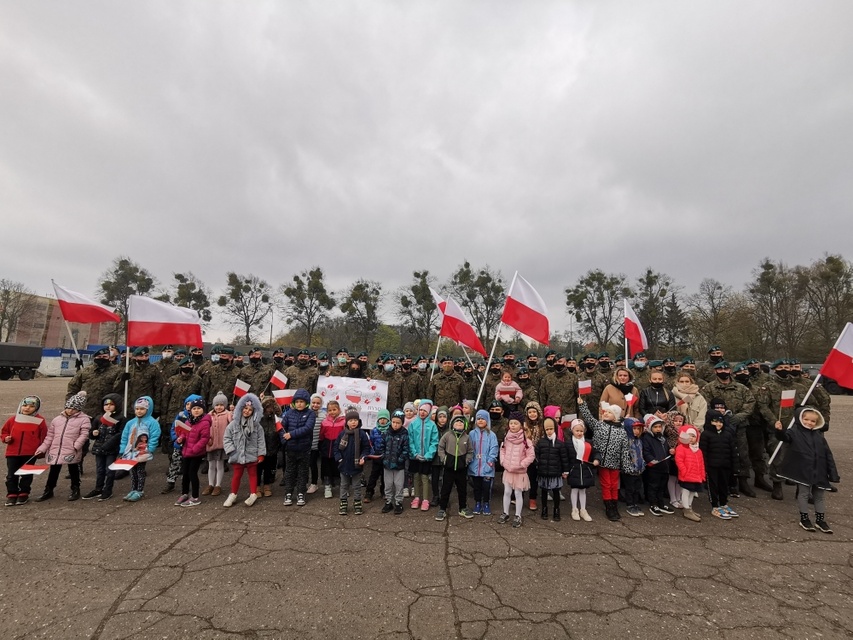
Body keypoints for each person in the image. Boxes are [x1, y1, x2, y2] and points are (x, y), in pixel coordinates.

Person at [773, 407, 839, 533]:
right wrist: (779, 430)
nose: (809, 422)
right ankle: (804, 518)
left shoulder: (819, 436)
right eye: (806, 419)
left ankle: (820, 520)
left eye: (813, 421)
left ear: (817, 422)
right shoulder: (794, 432)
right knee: (803, 494)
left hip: (819, 471)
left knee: (819, 496)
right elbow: (784, 438)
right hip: (803, 471)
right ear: (800, 419)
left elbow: (828, 455)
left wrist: (832, 473)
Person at [578, 397, 630, 521]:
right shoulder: (599, 426)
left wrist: (626, 465)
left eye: (609, 412)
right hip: (603, 462)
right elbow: (589, 418)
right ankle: (608, 506)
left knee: (614, 484)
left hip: (615, 463)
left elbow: (625, 450)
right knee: (606, 484)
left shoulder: (622, 432)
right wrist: (582, 405)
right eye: (605, 411)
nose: (606, 413)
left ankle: (614, 504)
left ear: (615, 416)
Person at [34, 393, 91, 502]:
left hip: (71, 449)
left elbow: (84, 434)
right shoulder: (57, 419)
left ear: (79, 409)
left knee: (73, 469)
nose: (70, 410)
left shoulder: (84, 419)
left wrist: (76, 446)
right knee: (54, 470)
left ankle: (75, 489)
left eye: (74, 409)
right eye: (68, 407)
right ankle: (48, 490)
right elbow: (50, 436)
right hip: (56, 449)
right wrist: (42, 448)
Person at [3, 395, 48, 506]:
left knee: (26, 474)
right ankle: (12, 494)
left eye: (31, 406)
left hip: (30, 453)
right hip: (13, 452)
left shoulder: (40, 421)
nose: (27, 408)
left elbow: (44, 436)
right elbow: (4, 432)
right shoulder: (13, 419)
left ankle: (24, 493)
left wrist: (41, 451)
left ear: (36, 408)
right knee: (11, 474)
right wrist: (5, 438)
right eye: (25, 405)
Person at [222, 393, 266, 507]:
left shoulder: (257, 426)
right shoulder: (233, 424)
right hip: (237, 454)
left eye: (250, 410)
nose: (247, 411)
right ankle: (233, 494)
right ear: (241, 408)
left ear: (254, 412)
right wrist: (231, 450)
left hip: (252, 454)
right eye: (245, 408)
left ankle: (253, 494)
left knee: (252, 474)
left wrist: (261, 454)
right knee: (237, 475)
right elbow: (227, 437)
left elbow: (261, 440)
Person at [115, 396, 161, 502]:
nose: (139, 411)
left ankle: (139, 491)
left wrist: (150, 449)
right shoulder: (130, 422)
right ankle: (133, 489)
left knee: (140, 471)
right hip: (129, 452)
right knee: (132, 471)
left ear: (148, 409)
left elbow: (154, 436)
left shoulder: (152, 422)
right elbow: (125, 436)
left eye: (142, 409)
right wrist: (122, 449)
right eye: (137, 409)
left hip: (142, 452)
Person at [82, 394, 126, 501]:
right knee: (100, 470)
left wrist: (108, 444)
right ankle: (98, 488)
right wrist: (94, 433)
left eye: (111, 404)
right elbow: (91, 432)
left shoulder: (121, 419)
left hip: (111, 449)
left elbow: (120, 434)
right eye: (106, 404)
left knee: (109, 470)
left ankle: (108, 490)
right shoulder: (99, 418)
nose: (108, 406)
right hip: (99, 448)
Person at [279, 389, 316, 507]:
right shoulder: (289, 413)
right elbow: (282, 428)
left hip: (304, 449)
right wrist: (284, 440)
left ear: (306, 403)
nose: (299, 404)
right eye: (297, 401)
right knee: (290, 472)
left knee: (303, 472)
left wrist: (291, 435)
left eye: (302, 401)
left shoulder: (310, 414)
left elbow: (308, 428)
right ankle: (288, 493)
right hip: (290, 449)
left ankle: (301, 492)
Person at [699, 410, 739, 520]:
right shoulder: (706, 434)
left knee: (724, 486)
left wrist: (735, 467)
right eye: (715, 421)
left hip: (725, 465)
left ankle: (723, 503)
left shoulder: (728, 434)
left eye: (720, 421)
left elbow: (733, 452)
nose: (718, 424)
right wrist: (705, 467)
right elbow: (703, 452)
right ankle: (715, 506)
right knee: (713, 486)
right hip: (712, 466)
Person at [498, 412, 535, 528]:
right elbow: (502, 450)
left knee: (518, 493)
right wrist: (503, 461)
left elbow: (531, 456)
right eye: (511, 423)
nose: (513, 425)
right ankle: (505, 512)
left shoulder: (526, 441)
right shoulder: (506, 438)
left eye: (515, 423)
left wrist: (522, 464)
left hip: (519, 472)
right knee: (507, 492)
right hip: (508, 471)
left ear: (521, 425)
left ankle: (518, 515)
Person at [435, 415, 475, 521]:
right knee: (445, 489)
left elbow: (470, 451)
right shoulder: (447, 435)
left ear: (465, 425)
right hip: (449, 468)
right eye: (456, 423)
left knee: (462, 489)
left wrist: (466, 460)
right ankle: (442, 509)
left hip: (462, 469)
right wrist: (444, 458)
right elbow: (440, 447)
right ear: (452, 424)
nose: (459, 425)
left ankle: (462, 508)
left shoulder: (466, 437)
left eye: (461, 423)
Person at [174, 397, 212, 507]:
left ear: (203, 410)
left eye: (199, 408)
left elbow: (204, 438)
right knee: (185, 473)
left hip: (196, 453)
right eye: (194, 408)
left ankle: (195, 497)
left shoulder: (204, 423)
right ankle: (184, 493)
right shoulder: (188, 421)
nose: (196, 410)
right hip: (186, 451)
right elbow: (184, 433)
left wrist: (195, 448)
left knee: (192, 474)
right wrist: (181, 438)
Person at [334, 410, 371, 515]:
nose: (353, 422)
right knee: (344, 485)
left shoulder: (362, 434)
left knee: (357, 486)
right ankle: (343, 502)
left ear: (358, 421)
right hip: (344, 465)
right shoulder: (342, 434)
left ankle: (357, 502)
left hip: (356, 466)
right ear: (346, 422)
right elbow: (336, 448)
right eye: (351, 420)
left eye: (355, 420)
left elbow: (366, 448)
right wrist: (339, 458)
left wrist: (363, 457)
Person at [534, 417, 569, 521]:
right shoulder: (540, 443)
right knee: (544, 492)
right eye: (547, 429)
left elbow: (564, 459)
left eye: (551, 429)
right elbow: (536, 456)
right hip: (543, 471)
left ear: (555, 429)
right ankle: (544, 509)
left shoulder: (560, 444)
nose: (549, 431)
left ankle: (556, 510)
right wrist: (538, 465)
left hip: (556, 472)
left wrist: (565, 471)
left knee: (556, 492)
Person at [566, 418, 599, 522]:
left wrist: (597, 459)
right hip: (574, 469)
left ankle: (583, 509)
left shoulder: (589, 442)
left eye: (581, 431)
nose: (579, 433)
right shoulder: (568, 443)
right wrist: (566, 470)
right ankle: (574, 509)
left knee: (583, 490)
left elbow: (596, 452)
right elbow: (565, 458)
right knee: (574, 489)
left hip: (585, 469)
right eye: (577, 431)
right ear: (572, 430)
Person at [641, 415, 675, 516]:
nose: (658, 429)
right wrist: (651, 460)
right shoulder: (647, 438)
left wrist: (670, 452)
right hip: (654, 467)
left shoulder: (663, 438)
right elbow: (646, 451)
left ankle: (661, 503)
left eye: (660, 427)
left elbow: (666, 450)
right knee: (653, 486)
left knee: (662, 486)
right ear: (650, 427)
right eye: (655, 427)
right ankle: (653, 503)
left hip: (664, 466)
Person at [408, 399, 438, 511]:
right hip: (415, 456)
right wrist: (414, 453)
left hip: (426, 457)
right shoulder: (413, 424)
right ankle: (416, 497)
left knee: (425, 477)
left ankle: (425, 499)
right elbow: (410, 439)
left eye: (425, 411)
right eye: (420, 410)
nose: (422, 412)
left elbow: (434, 441)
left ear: (429, 412)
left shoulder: (432, 425)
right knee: (416, 477)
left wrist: (428, 455)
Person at [468, 410, 499, 516]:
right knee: (477, 487)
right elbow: (469, 447)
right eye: (478, 419)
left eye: (483, 419)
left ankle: (486, 503)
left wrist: (490, 461)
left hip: (487, 466)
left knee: (486, 487)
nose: (480, 421)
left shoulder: (491, 435)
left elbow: (494, 448)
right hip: (475, 465)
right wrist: (470, 460)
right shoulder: (472, 434)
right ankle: (477, 503)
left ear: (487, 420)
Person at [675, 425, 706, 522]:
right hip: (686, 476)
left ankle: (689, 507)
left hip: (696, 476)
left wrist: (702, 475)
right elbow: (679, 461)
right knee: (685, 492)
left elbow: (701, 464)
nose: (691, 438)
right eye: (689, 435)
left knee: (692, 492)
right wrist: (684, 471)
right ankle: (686, 509)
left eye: (693, 436)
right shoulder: (681, 448)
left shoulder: (698, 450)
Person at [382, 410, 410, 515]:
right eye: (393, 422)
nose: (395, 425)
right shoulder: (386, 433)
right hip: (387, 464)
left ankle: (398, 502)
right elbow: (382, 446)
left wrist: (401, 459)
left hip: (399, 465)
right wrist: (383, 457)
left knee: (399, 485)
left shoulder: (404, 434)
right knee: (388, 484)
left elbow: (406, 449)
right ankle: (388, 501)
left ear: (402, 423)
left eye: (398, 423)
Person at [204, 392, 231, 496]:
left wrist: (232, 412)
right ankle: (210, 484)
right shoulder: (208, 415)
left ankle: (218, 485)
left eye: (221, 405)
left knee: (219, 465)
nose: (219, 407)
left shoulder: (228, 414)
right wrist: (207, 439)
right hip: (210, 444)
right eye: (217, 405)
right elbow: (205, 428)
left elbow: (232, 422)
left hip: (221, 444)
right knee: (211, 465)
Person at [621, 417, 647, 517]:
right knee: (630, 488)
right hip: (629, 471)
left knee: (637, 488)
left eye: (638, 429)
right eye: (634, 428)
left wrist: (643, 464)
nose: (636, 431)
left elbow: (641, 454)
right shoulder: (626, 441)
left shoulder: (639, 441)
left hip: (639, 470)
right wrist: (628, 468)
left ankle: (635, 504)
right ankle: (630, 504)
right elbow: (624, 456)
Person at [257, 397, 282, 498]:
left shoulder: (276, 418)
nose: (269, 409)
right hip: (260, 447)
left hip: (272, 446)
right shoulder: (259, 418)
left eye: (271, 406)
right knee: (258, 468)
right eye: (267, 406)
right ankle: (257, 486)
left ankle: (267, 485)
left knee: (268, 467)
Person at [319, 400, 345, 498]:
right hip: (326, 447)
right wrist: (321, 445)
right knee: (326, 467)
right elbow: (321, 434)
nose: (332, 412)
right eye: (330, 410)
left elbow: (345, 435)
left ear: (339, 410)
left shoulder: (343, 421)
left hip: (338, 447)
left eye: (334, 409)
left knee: (339, 467)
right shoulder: (325, 422)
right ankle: (327, 486)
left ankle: (343, 487)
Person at [365, 409, 390, 503]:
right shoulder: (374, 430)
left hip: (386, 456)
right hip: (376, 456)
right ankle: (369, 492)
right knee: (373, 475)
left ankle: (384, 491)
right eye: (380, 418)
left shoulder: (390, 430)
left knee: (385, 476)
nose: (382, 420)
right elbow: (371, 442)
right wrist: (372, 452)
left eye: (384, 418)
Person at [429, 407, 450, 508]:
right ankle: (435, 496)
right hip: (434, 457)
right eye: (440, 417)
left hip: (446, 457)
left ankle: (444, 497)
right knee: (435, 478)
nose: (442, 419)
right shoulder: (433, 427)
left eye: (444, 417)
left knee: (446, 478)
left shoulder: (450, 429)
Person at [307, 394, 325, 494]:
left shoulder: (324, 415)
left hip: (320, 444)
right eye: (313, 402)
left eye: (318, 403)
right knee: (310, 464)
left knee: (319, 464)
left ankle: (319, 482)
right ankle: (310, 483)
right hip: (309, 444)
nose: (315, 405)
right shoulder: (307, 413)